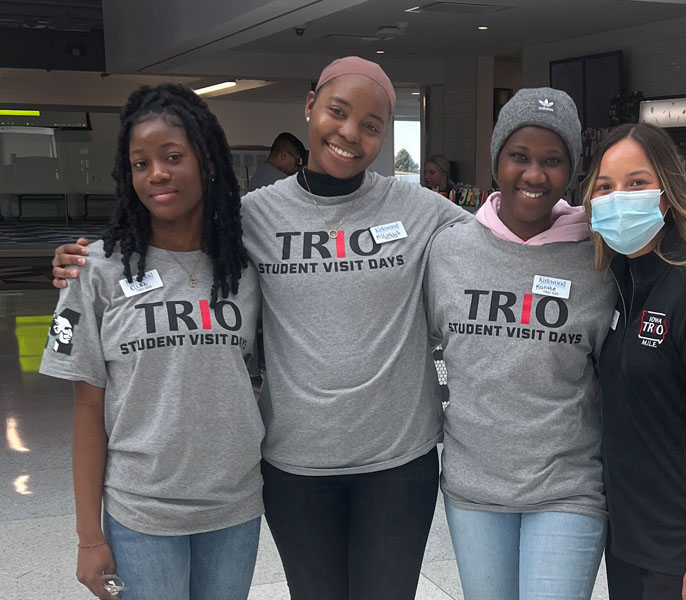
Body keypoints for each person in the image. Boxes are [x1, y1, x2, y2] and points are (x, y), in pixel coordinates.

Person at [52, 56, 469, 600]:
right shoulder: (250, 219)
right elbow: (167, 230)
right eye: (337, 112)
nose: (350, 133)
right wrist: (79, 262)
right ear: (310, 106)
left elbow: (502, 236)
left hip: (397, 461)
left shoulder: (420, 208)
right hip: (293, 464)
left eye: (371, 125)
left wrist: (577, 220)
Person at [40, 84, 264, 600]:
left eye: (172, 157)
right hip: (142, 510)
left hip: (234, 505)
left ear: (207, 163)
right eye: (140, 163)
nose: (156, 173)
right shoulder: (93, 271)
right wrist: (88, 537)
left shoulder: (243, 265)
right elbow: (86, 410)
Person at [424, 88, 615, 600]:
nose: (534, 174)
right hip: (474, 488)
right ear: (496, 162)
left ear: (572, 170)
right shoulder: (448, 250)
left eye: (552, 160)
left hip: (568, 486)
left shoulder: (599, 259)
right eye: (519, 157)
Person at [583, 123, 686, 600]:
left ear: (668, 194)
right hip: (631, 542)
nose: (619, 199)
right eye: (605, 187)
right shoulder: (619, 285)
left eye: (636, 183)